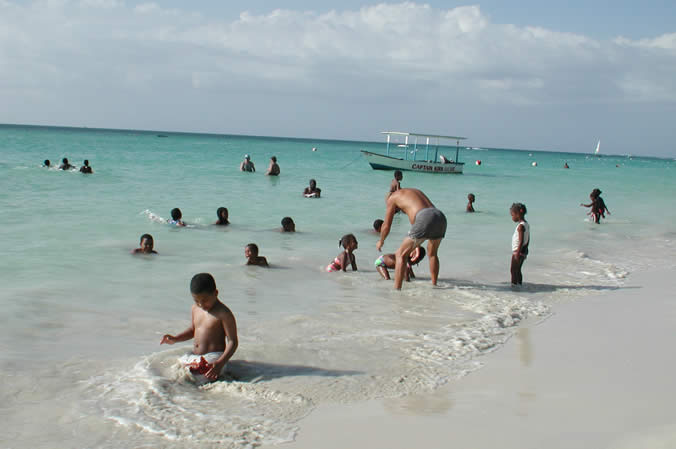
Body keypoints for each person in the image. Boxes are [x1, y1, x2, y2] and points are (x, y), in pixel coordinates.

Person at [161, 273, 238, 383]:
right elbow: (193, 330)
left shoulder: (224, 313)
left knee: (188, 379)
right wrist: (175, 339)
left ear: (216, 293)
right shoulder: (195, 309)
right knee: (174, 369)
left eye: (205, 300)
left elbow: (233, 342)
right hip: (196, 356)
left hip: (214, 357)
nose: (201, 304)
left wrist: (220, 363)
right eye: (196, 300)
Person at [377, 188, 446, 289]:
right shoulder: (411, 192)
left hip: (425, 217)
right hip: (440, 217)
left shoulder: (392, 199)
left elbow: (386, 225)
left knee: (400, 254)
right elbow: (419, 224)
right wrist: (416, 247)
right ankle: (434, 286)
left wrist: (381, 241)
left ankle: (397, 290)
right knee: (432, 253)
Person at [510, 202, 530, 286]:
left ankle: (514, 286)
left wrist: (517, 253)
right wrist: (526, 249)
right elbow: (528, 238)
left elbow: (521, 241)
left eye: (512, 215)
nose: (512, 217)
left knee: (513, 270)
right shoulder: (526, 224)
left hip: (517, 251)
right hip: (523, 250)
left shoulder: (520, 226)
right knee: (518, 270)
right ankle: (519, 285)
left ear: (518, 214)